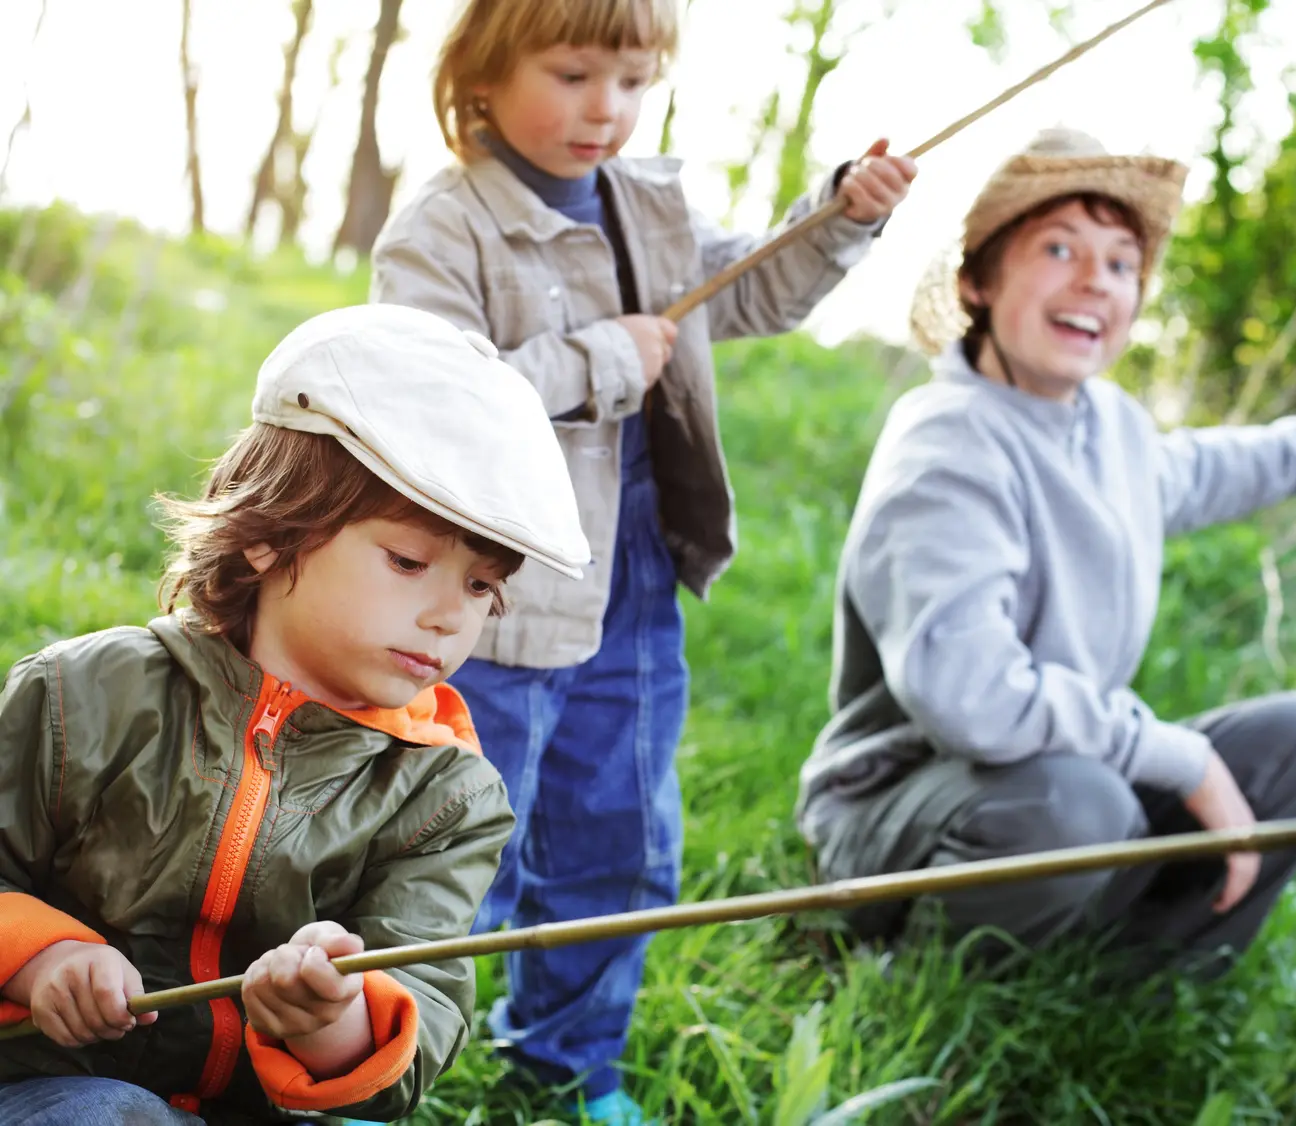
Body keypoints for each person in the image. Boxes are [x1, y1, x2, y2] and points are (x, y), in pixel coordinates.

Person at [367, 0, 916, 1119]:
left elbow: (749, 289)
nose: (606, 108)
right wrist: (595, 360)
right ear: (481, 73)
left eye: (631, 77)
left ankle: (568, 1064)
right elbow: (423, 401)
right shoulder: (444, 227)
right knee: (461, 852)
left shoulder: (646, 202)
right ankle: (373, 1071)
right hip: (496, 612)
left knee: (620, 841)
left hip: (633, 595)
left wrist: (836, 218)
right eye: (573, 74)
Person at [795, 127, 1296, 975]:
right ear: (977, 281)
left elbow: (1216, 466)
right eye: (1058, 248)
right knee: (1078, 802)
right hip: (899, 809)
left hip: (1052, 776)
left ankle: (1123, 990)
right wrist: (1180, 757)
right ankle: (915, 980)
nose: (1091, 282)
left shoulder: (1108, 429)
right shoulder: (945, 447)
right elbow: (970, 699)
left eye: (1117, 263)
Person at [0, 304, 590, 1125]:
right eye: (409, 561)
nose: (449, 616)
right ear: (271, 534)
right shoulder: (81, 694)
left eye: (481, 584)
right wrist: (40, 957)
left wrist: (331, 1022)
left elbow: (422, 1004)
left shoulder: (446, 797)